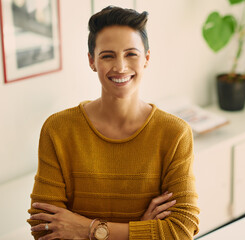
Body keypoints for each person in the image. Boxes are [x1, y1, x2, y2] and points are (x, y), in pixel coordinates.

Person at [27, 6, 199, 240]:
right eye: (108, 55)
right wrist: (140, 230)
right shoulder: (58, 130)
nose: (120, 67)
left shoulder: (175, 134)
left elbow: (181, 229)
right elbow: (44, 228)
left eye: (131, 54)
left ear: (146, 59)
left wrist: (87, 229)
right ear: (92, 61)